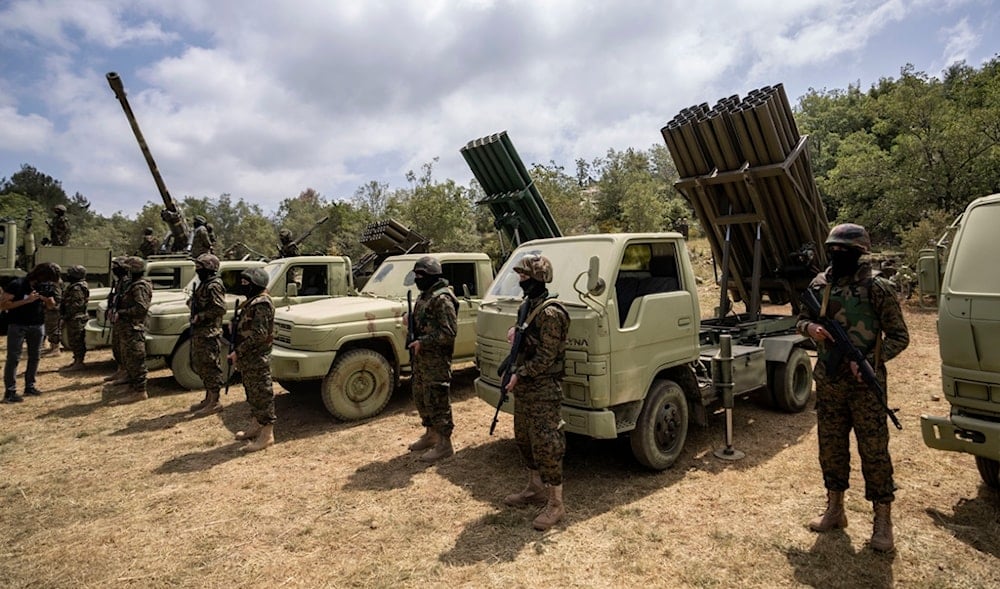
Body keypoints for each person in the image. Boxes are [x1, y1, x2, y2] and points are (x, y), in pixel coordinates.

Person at [797, 223, 909, 552]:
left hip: (864, 388)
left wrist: (872, 362)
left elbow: (900, 336)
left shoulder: (878, 287)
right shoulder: (820, 284)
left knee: (874, 453)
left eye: (844, 250)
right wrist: (812, 327)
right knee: (830, 449)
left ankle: (883, 522)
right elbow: (800, 319)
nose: (837, 255)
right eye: (833, 249)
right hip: (830, 385)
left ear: (860, 253)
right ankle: (835, 510)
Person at [502, 254, 570, 531]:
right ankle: (534, 488)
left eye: (525, 277)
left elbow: (546, 356)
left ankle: (556, 503)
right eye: (519, 276)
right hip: (527, 388)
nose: (521, 281)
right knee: (524, 439)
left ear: (538, 278)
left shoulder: (551, 312)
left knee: (547, 445)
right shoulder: (529, 306)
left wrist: (520, 374)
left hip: (543, 388)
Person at [406, 256, 459, 462]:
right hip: (422, 360)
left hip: (435, 360)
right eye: (416, 274)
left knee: (437, 399)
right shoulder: (425, 296)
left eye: (421, 275)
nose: (418, 278)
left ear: (432, 276)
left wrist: (424, 342)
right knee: (421, 396)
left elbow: (448, 333)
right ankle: (430, 434)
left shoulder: (442, 298)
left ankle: (444, 444)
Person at [228, 267, 276, 452]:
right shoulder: (252, 302)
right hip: (249, 358)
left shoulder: (262, 303)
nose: (243, 285)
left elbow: (259, 335)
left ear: (256, 284)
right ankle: (256, 425)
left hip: (257, 357)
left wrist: (238, 351)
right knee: (252, 392)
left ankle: (267, 435)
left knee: (262, 394)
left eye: (247, 282)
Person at [2, 263, 59, 402]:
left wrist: (47, 300)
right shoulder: (17, 284)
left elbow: (52, 306)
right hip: (17, 325)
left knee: (35, 357)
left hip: (37, 325)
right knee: (13, 358)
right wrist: (26, 301)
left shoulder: (46, 288)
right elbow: (3, 305)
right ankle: (10, 391)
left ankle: (30, 386)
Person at [105, 257, 153, 405]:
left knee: (136, 359)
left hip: (134, 327)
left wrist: (123, 312)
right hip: (126, 328)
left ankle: (140, 391)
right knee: (128, 359)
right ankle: (132, 387)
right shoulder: (130, 284)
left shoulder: (139, 286)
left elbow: (141, 308)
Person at [187, 254, 227, 417]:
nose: (198, 271)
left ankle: (215, 401)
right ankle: (208, 397)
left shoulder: (214, 285)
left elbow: (219, 308)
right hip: (200, 332)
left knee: (210, 366)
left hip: (209, 333)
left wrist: (201, 316)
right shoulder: (203, 284)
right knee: (201, 365)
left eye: (201, 268)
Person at [103, 257, 131, 385]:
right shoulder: (118, 282)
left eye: (117, 266)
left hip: (125, 319)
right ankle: (120, 369)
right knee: (117, 346)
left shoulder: (127, 282)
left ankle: (125, 372)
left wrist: (120, 312)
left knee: (124, 348)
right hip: (117, 318)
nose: (114, 269)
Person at [59, 265, 90, 372]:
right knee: (73, 340)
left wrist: (66, 316)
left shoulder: (77, 288)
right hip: (73, 317)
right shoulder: (75, 286)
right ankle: (76, 360)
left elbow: (77, 305)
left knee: (77, 341)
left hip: (76, 318)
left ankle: (79, 362)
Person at [39, 263, 63, 356]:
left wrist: (43, 298)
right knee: (50, 328)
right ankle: (52, 347)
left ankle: (55, 349)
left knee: (54, 329)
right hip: (52, 309)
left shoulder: (55, 283)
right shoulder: (54, 282)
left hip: (54, 310)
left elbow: (57, 298)